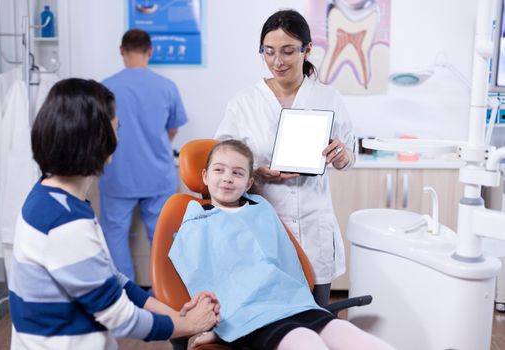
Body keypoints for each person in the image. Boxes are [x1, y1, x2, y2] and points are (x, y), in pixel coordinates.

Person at [9, 78, 219, 349]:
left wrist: (174, 314)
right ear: (98, 139)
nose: (118, 136)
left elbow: (111, 278)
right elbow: (121, 319)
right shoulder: (64, 222)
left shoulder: (52, 197)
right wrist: (190, 325)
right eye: (116, 128)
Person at [169, 140, 393, 350]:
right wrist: (217, 327)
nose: (227, 178)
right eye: (219, 170)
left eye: (237, 173)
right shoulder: (196, 223)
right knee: (306, 341)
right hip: (247, 315)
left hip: (291, 302)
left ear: (248, 182)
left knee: (346, 332)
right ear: (205, 176)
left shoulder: (261, 209)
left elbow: (286, 263)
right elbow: (205, 279)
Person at [215, 9, 355, 306]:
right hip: (263, 223)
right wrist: (256, 173)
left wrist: (342, 156)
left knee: (317, 316)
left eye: (288, 51)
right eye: (269, 52)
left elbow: (348, 155)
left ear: (307, 50)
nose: (277, 61)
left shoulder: (329, 98)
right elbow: (222, 158)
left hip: (314, 223)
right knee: (269, 319)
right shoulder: (244, 103)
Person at [100, 29, 188, 280]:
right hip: (157, 174)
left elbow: (98, 130)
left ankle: (125, 298)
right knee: (163, 237)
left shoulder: (105, 88)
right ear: (150, 51)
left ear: (121, 51)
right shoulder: (166, 87)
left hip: (117, 174)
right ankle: (168, 294)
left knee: (115, 236)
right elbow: (172, 129)